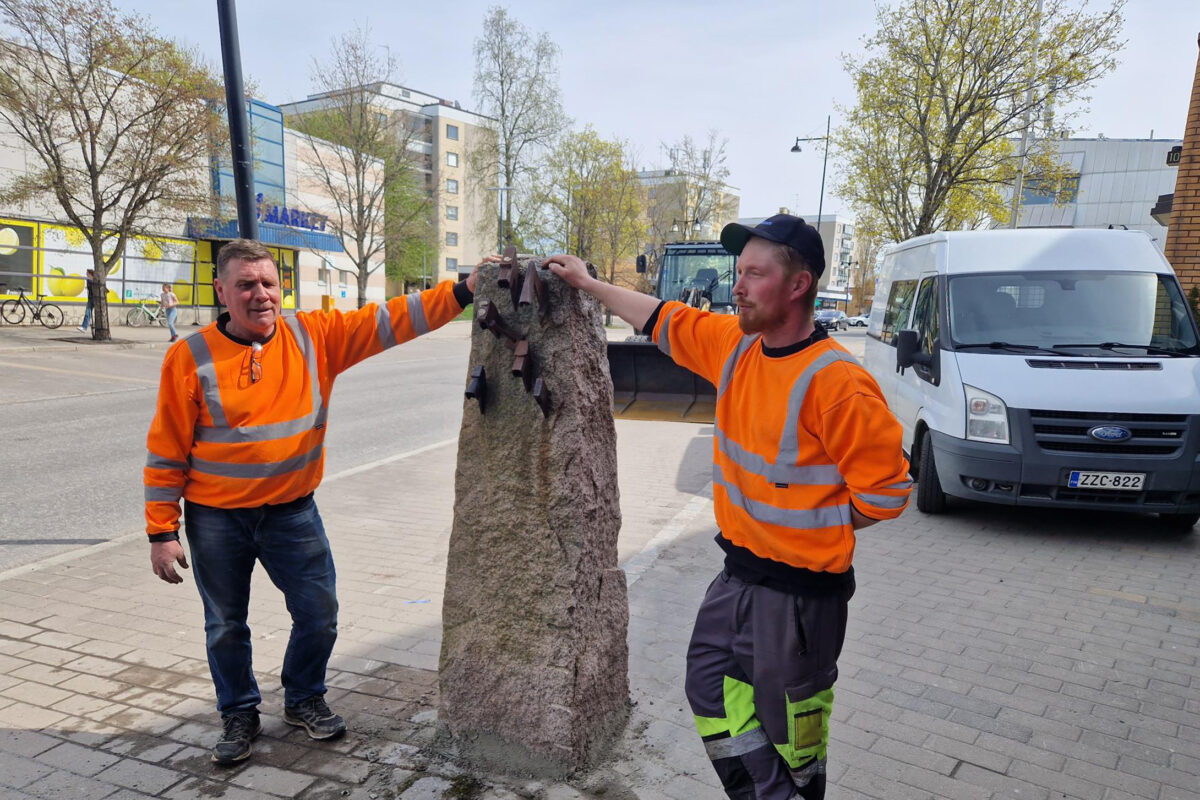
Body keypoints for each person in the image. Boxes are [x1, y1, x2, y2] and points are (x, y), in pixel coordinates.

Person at [545, 214, 912, 799]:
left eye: (754, 274)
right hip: (738, 577)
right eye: (738, 273)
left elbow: (887, 494)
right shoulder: (737, 348)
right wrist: (589, 284)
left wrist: (814, 524)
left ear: (798, 286)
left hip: (799, 602)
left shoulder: (837, 382)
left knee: (795, 740)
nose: (736, 286)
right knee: (710, 690)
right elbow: (663, 317)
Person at [144, 239, 478, 765]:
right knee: (225, 624)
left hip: (292, 511)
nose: (260, 295)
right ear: (221, 291)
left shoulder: (314, 336)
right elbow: (165, 452)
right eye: (246, 285)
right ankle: (239, 712)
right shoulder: (190, 357)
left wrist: (464, 290)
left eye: (268, 283)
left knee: (319, 613)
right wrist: (161, 533)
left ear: (281, 285)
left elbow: (393, 319)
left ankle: (303, 697)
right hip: (216, 519)